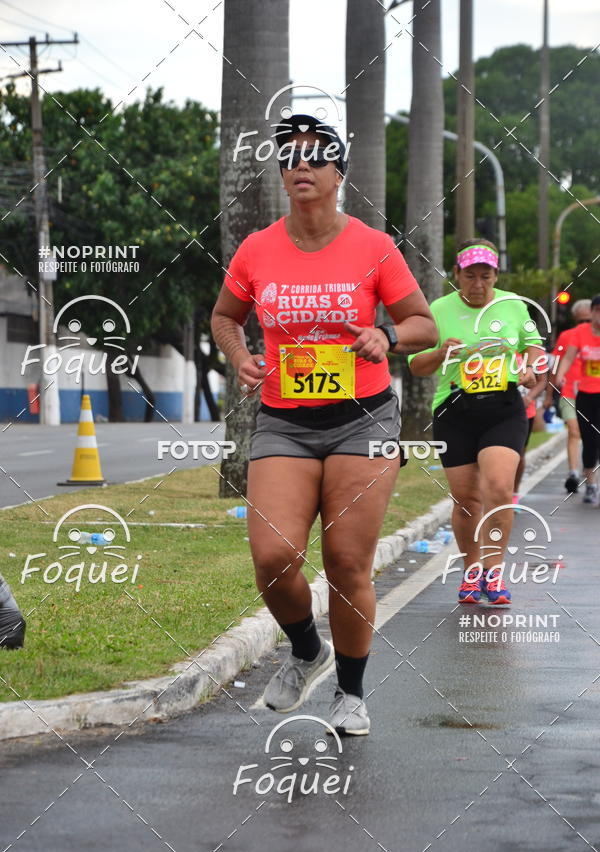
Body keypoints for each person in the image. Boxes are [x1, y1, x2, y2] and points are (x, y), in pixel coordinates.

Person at [211, 114, 437, 736]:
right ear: (283, 176)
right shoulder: (257, 249)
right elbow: (224, 317)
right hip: (285, 418)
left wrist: (384, 335)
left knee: (345, 562)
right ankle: (306, 650)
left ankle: (351, 692)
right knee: (273, 557)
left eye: (314, 158)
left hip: (362, 419)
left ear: (339, 174)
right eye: (290, 159)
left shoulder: (372, 246)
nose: (300, 167)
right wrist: (239, 357)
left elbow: (423, 323)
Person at [408, 239, 546, 605]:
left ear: (496, 276)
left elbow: (534, 346)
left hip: (503, 407)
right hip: (455, 409)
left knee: (499, 489)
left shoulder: (512, 305)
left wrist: (530, 368)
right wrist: (441, 352)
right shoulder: (438, 309)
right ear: (456, 275)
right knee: (467, 500)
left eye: (486, 276)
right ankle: (472, 571)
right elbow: (416, 365)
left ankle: (494, 571)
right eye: (470, 276)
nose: (478, 284)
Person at [555, 295, 600, 505]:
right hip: (585, 395)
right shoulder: (580, 334)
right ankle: (590, 483)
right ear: (592, 312)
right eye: (597, 310)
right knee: (589, 442)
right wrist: (561, 374)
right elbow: (568, 357)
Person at [544, 299, 592, 493]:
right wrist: (548, 396)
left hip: (593, 393)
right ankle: (573, 473)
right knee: (574, 431)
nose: (585, 325)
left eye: (589, 320)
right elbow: (554, 368)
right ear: (575, 320)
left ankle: (589, 477)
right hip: (569, 392)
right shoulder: (566, 337)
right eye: (582, 321)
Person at [513, 362, 547, 506]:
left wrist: (528, 398)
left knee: (519, 455)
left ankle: (514, 493)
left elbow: (542, 381)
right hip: (498, 410)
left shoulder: (532, 350)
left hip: (525, 411)